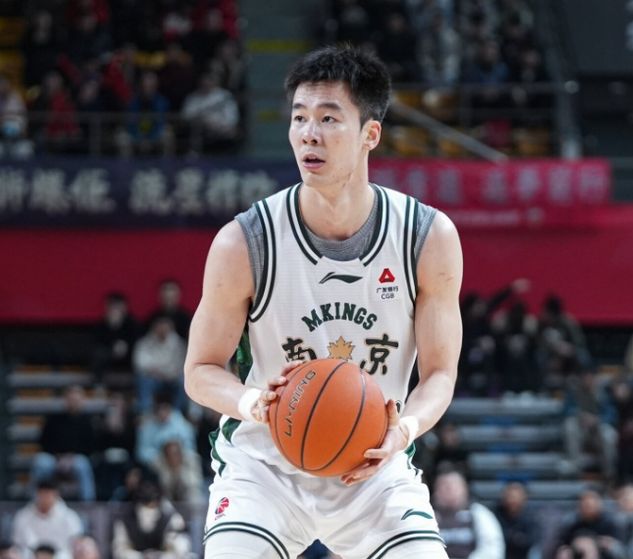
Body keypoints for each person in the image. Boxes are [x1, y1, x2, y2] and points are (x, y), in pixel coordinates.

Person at [184, 45, 463, 559]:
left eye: (329, 118)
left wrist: (403, 430)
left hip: (373, 467)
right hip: (264, 470)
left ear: (370, 134)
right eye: (299, 117)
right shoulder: (244, 242)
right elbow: (199, 371)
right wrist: (254, 404)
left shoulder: (426, 238)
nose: (308, 133)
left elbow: (440, 375)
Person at [30, 385, 97, 501]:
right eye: (71, 399)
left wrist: (71, 458)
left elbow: (90, 447)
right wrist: (58, 457)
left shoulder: (88, 422)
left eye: (76, 400)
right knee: (41, 462)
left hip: (76, 459)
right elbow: (44, 442)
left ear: (82, 401)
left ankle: (88, 504)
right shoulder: (53, 419)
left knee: (83, 465)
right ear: (66, 400)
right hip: (54, 458)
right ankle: (35, 501)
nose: (74, 403)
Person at [432, 470, 505, 559]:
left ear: (464, 488)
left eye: (453, 486)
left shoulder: (479, 513)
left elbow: (492, 548)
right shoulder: (429, 516)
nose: (449, 490)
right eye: (444, 486)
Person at [11, 479, 84, 559]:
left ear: (56, 495)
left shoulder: (70, 517)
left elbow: (75, 545)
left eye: (48, 495)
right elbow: (17, 544)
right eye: (42, 494)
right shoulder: (22, 516)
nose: (45, 499)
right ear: (37, 494)